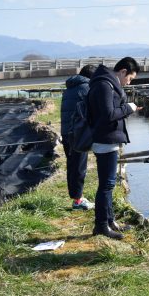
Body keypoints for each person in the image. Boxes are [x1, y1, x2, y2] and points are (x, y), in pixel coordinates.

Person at [87, 56, 142, 239]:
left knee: (108, 184)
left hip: (108, 139)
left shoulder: (107, 83)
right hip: (104, 140)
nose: (128, 83)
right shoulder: (104, 85)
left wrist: (126, 107)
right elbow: (108, 114)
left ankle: (109, 221)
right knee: (106, 185)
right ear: (123, 71)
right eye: (130, 78)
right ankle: (101, 226)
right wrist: (129, 108)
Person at [60, 64, 96, 210]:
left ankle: (76, 197)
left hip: (66, 131)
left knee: (72, 165)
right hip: (77, 133)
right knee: (79, 167)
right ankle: (78, 201)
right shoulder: (86, 88)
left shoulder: (70, 88)